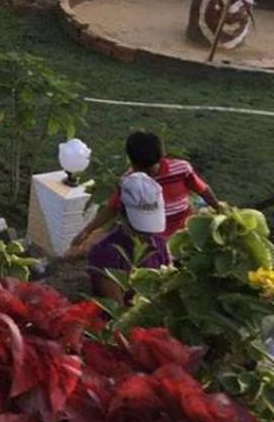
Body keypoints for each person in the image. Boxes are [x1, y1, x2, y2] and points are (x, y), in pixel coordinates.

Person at [70, 130, 219, 244]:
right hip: (152, 240)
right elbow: (112, 208)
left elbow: (203, 190)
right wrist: (88, 230)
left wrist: (218, 208)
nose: (146, 175)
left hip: (183, 233)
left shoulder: (182, 170)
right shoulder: (128, 182)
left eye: (149, 169)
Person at [73, 171, 171, 304]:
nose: (145, 233)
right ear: (123, 214)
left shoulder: (160, 245)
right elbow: (118, 310)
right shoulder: (105, 252)